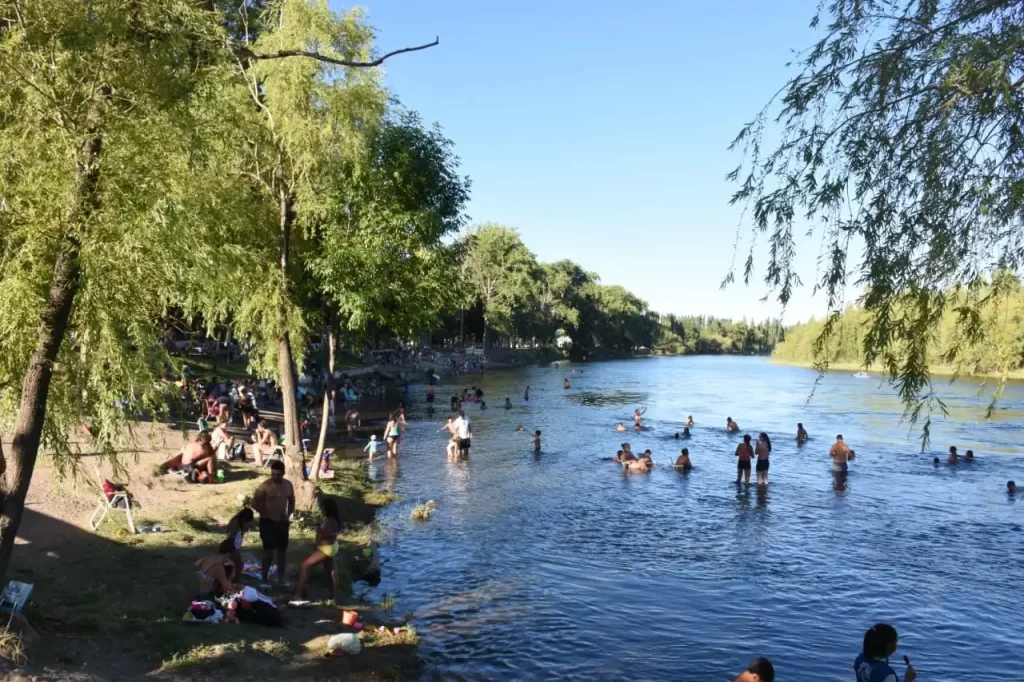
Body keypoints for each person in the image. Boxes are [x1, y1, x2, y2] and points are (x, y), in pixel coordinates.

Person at [253, 461, 294, 586]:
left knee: (282, 552)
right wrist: (267, 513)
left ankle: (280, 579)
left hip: (282, 523)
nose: (275, 477)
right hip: (267, 522)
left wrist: (288, 515)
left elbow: (292, 501)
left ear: (283, 474)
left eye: (278, 475)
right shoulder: (265, 486)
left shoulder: (288, 485)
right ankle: (264, 578)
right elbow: (254, 503)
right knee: (268, 552)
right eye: (273, 474)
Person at [293, 496, 342, 604]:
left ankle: (298, 595)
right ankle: (335, 598)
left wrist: (318, 530)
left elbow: (320, 541)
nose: (321, 509)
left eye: (323, 507)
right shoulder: (335, 519)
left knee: (305, 565)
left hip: (326, 549)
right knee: (332, 572)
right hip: (333, 546)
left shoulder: (329, 521)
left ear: (327, 509)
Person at [224, 507, 254, 575]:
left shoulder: (239, 523)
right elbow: (231, 536)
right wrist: (232, 548)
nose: (247, 523)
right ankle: (235, 580)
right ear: (244, 519)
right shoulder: (236, 524)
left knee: (236, 565)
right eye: (247, 521)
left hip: (235, 547)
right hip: (232, 547)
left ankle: (234, 579)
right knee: (239, 565)